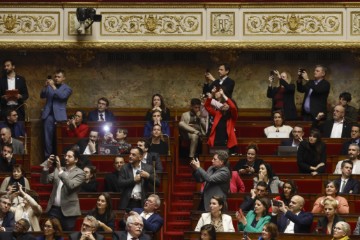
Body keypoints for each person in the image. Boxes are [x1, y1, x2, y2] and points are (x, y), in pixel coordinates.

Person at [40, 150, 85, 231]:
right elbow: (44, 181)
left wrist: (60, 170)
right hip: (54, 209)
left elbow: (71, 185)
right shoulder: (57, 170)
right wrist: (47, 166)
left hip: (69, 211)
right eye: (65, 156)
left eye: (69, 156)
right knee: (51, 233)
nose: (66, 158)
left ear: (76, 160)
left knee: (67, 235)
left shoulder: (80, 173)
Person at [41, 69, 72, 158]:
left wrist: (53, 87)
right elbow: (42, 95)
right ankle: (48, 160)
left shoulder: (68, 89)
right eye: (55, 77)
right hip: (48, 115)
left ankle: (60, 160)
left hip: (60, 117)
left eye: (59, 77)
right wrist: (45, 86)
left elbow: (62, 97)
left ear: (63, 78)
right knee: (47, 139)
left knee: (59, 139)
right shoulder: (50, 86)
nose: (56, 78)